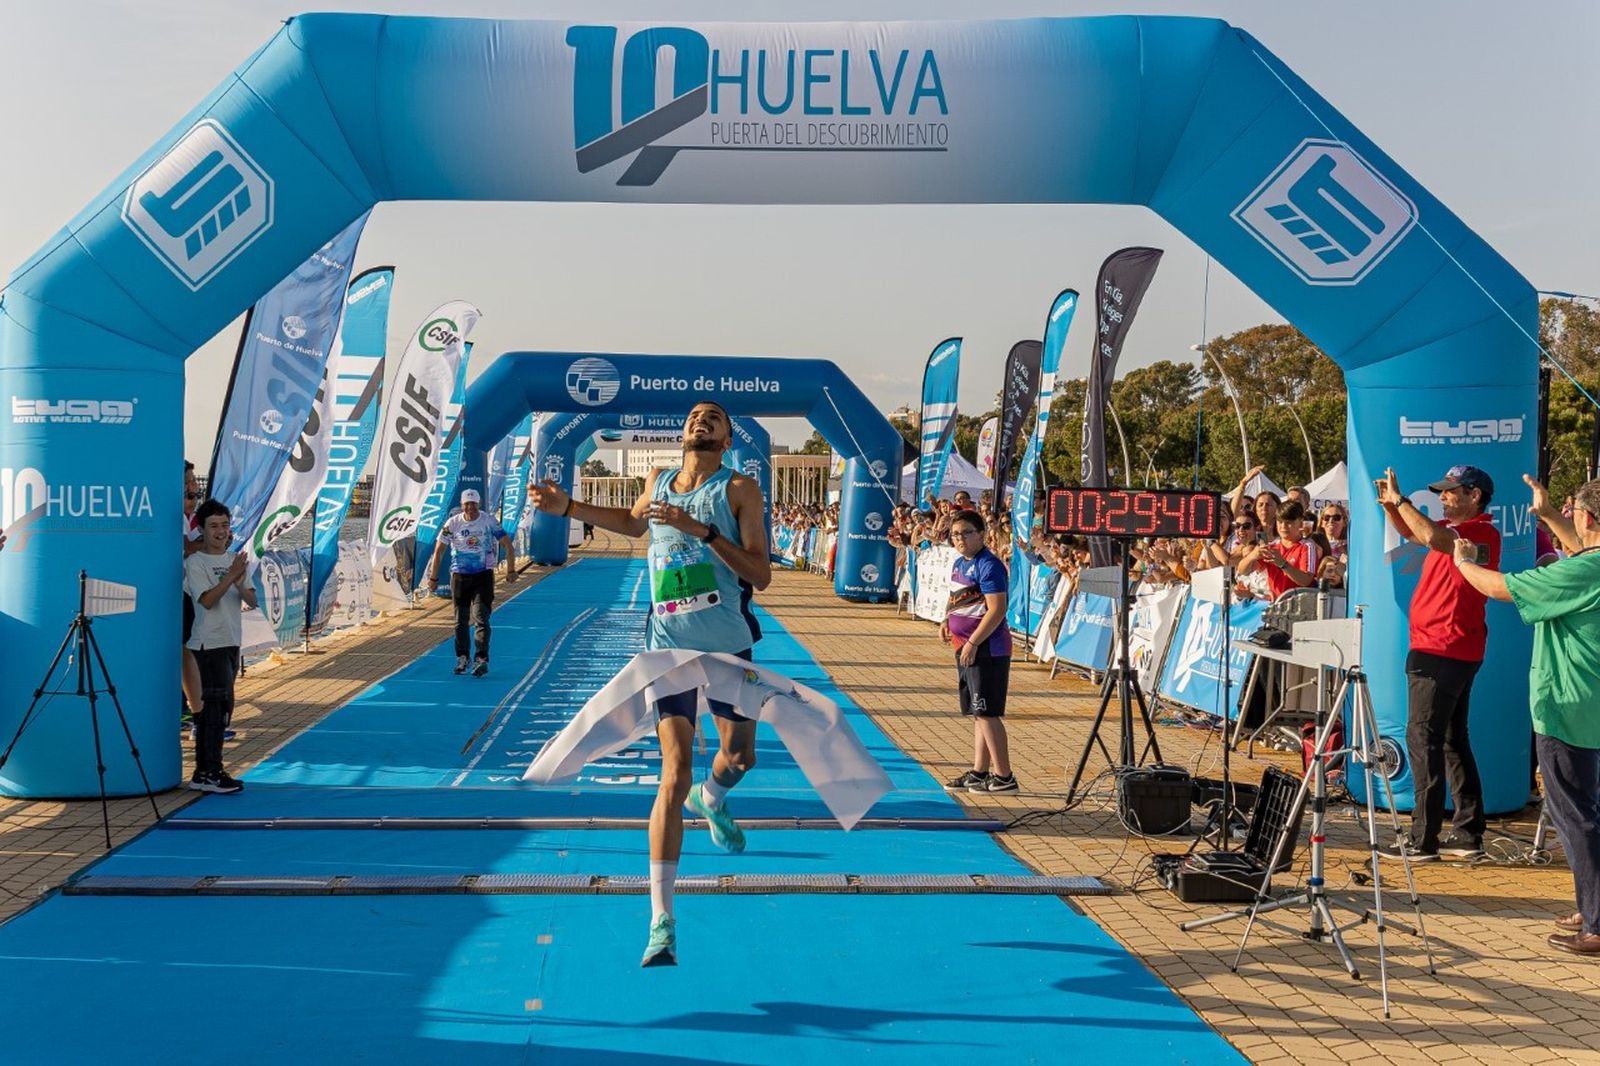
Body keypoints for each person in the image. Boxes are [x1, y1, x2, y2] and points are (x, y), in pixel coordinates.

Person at [529, 400, 771, 968]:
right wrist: (569, 508)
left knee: (740, 758)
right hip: (666, 646)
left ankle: (711, 798)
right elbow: (633, 523)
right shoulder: (659, 480)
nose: (700, 421)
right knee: (673, 766)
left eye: (712, 417)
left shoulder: (740, 489)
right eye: (693, 417)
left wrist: (702, 530)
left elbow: (760, 572)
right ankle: (661, 919)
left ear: (728, 435)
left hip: (727, 642)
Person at [1452, 475, 1600, 956]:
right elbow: (1579, 550)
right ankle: (1591, 903)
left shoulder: (1583, 572)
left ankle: (1596, 923)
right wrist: (1551, 513)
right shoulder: (1589, 563)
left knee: (1575, 817)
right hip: (1584, 708)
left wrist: (1461, 561)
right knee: (1583, 812)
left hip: (1568, 709)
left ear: (1588, 517)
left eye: (1574, 514)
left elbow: (1500, 588)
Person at [1377, 463, 1500, 861]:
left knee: (1424, 738)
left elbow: (1429, 534)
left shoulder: (1480, 532)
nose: (1443, 497)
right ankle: (1467, 833)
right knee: (1450, 740)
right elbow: (1414, 533)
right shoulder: (1463, 533)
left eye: (1451, 491)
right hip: (1447, 649)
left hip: (1442, 650)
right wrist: (1391, 508)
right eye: (1442, 491)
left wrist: (1401, 500)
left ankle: (1422, 839)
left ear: (1474, 496)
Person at [941, 510, 1018, 794]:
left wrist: (973, 642)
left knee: (987, 712)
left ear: (982, 533)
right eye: (955, 534)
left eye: (966, 533)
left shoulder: (990, 565)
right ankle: (979, 771)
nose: (960, 539)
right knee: (977, 712)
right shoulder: (959, 564)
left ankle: (1004, 775)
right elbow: (956, 597)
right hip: (964, 646)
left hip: (988, 648)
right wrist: (945, 619)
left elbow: (997, 609)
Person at [183, 499, 256, 794]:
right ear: (202, 529)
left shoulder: (235, 561)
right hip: (207, 641)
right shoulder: (196, 563)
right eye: (214, 526)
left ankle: (211, 768)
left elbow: (252, 601)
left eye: (225, 526)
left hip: (231, 640)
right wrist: (229, 577)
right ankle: (207, 770)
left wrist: (239, 581)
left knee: (225, 706)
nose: (221, 532)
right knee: (212, 707)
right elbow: (207, 600)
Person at [425, 488, 516, 677]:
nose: (471, 508)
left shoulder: (488, 521)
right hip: (460, 577)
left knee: (481, 617)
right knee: (460, 621)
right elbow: (439, 551)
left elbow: (507, 544)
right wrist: (433, 578)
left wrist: (511, 570)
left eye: (474, 504)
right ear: (462, 505)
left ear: (479, 504)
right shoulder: (452, 523)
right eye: (467, 504)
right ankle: (463, 657)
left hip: (483, 575)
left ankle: (481, 658)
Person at [1240, 499, 1320, 600]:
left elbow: (1306, 580)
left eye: (1289, 522)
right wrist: (1252, 556)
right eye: (1280, 522)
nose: (1283, 527)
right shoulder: (1271, 546)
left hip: (1302, 606)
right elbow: (1242, 570)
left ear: (1300, 523)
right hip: (1277, 606)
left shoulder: (1307, 546)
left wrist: (1282, 563)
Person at [180, 462, 204, 732]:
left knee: (190, 652)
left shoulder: (190, 516)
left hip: (189, 589)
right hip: (178, 591)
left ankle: (196, 714)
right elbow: (187, 547)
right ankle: (194, 714)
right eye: (188, 483)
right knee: (186, 652)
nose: (193, 487)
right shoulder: (176, 514)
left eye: (194, 483)